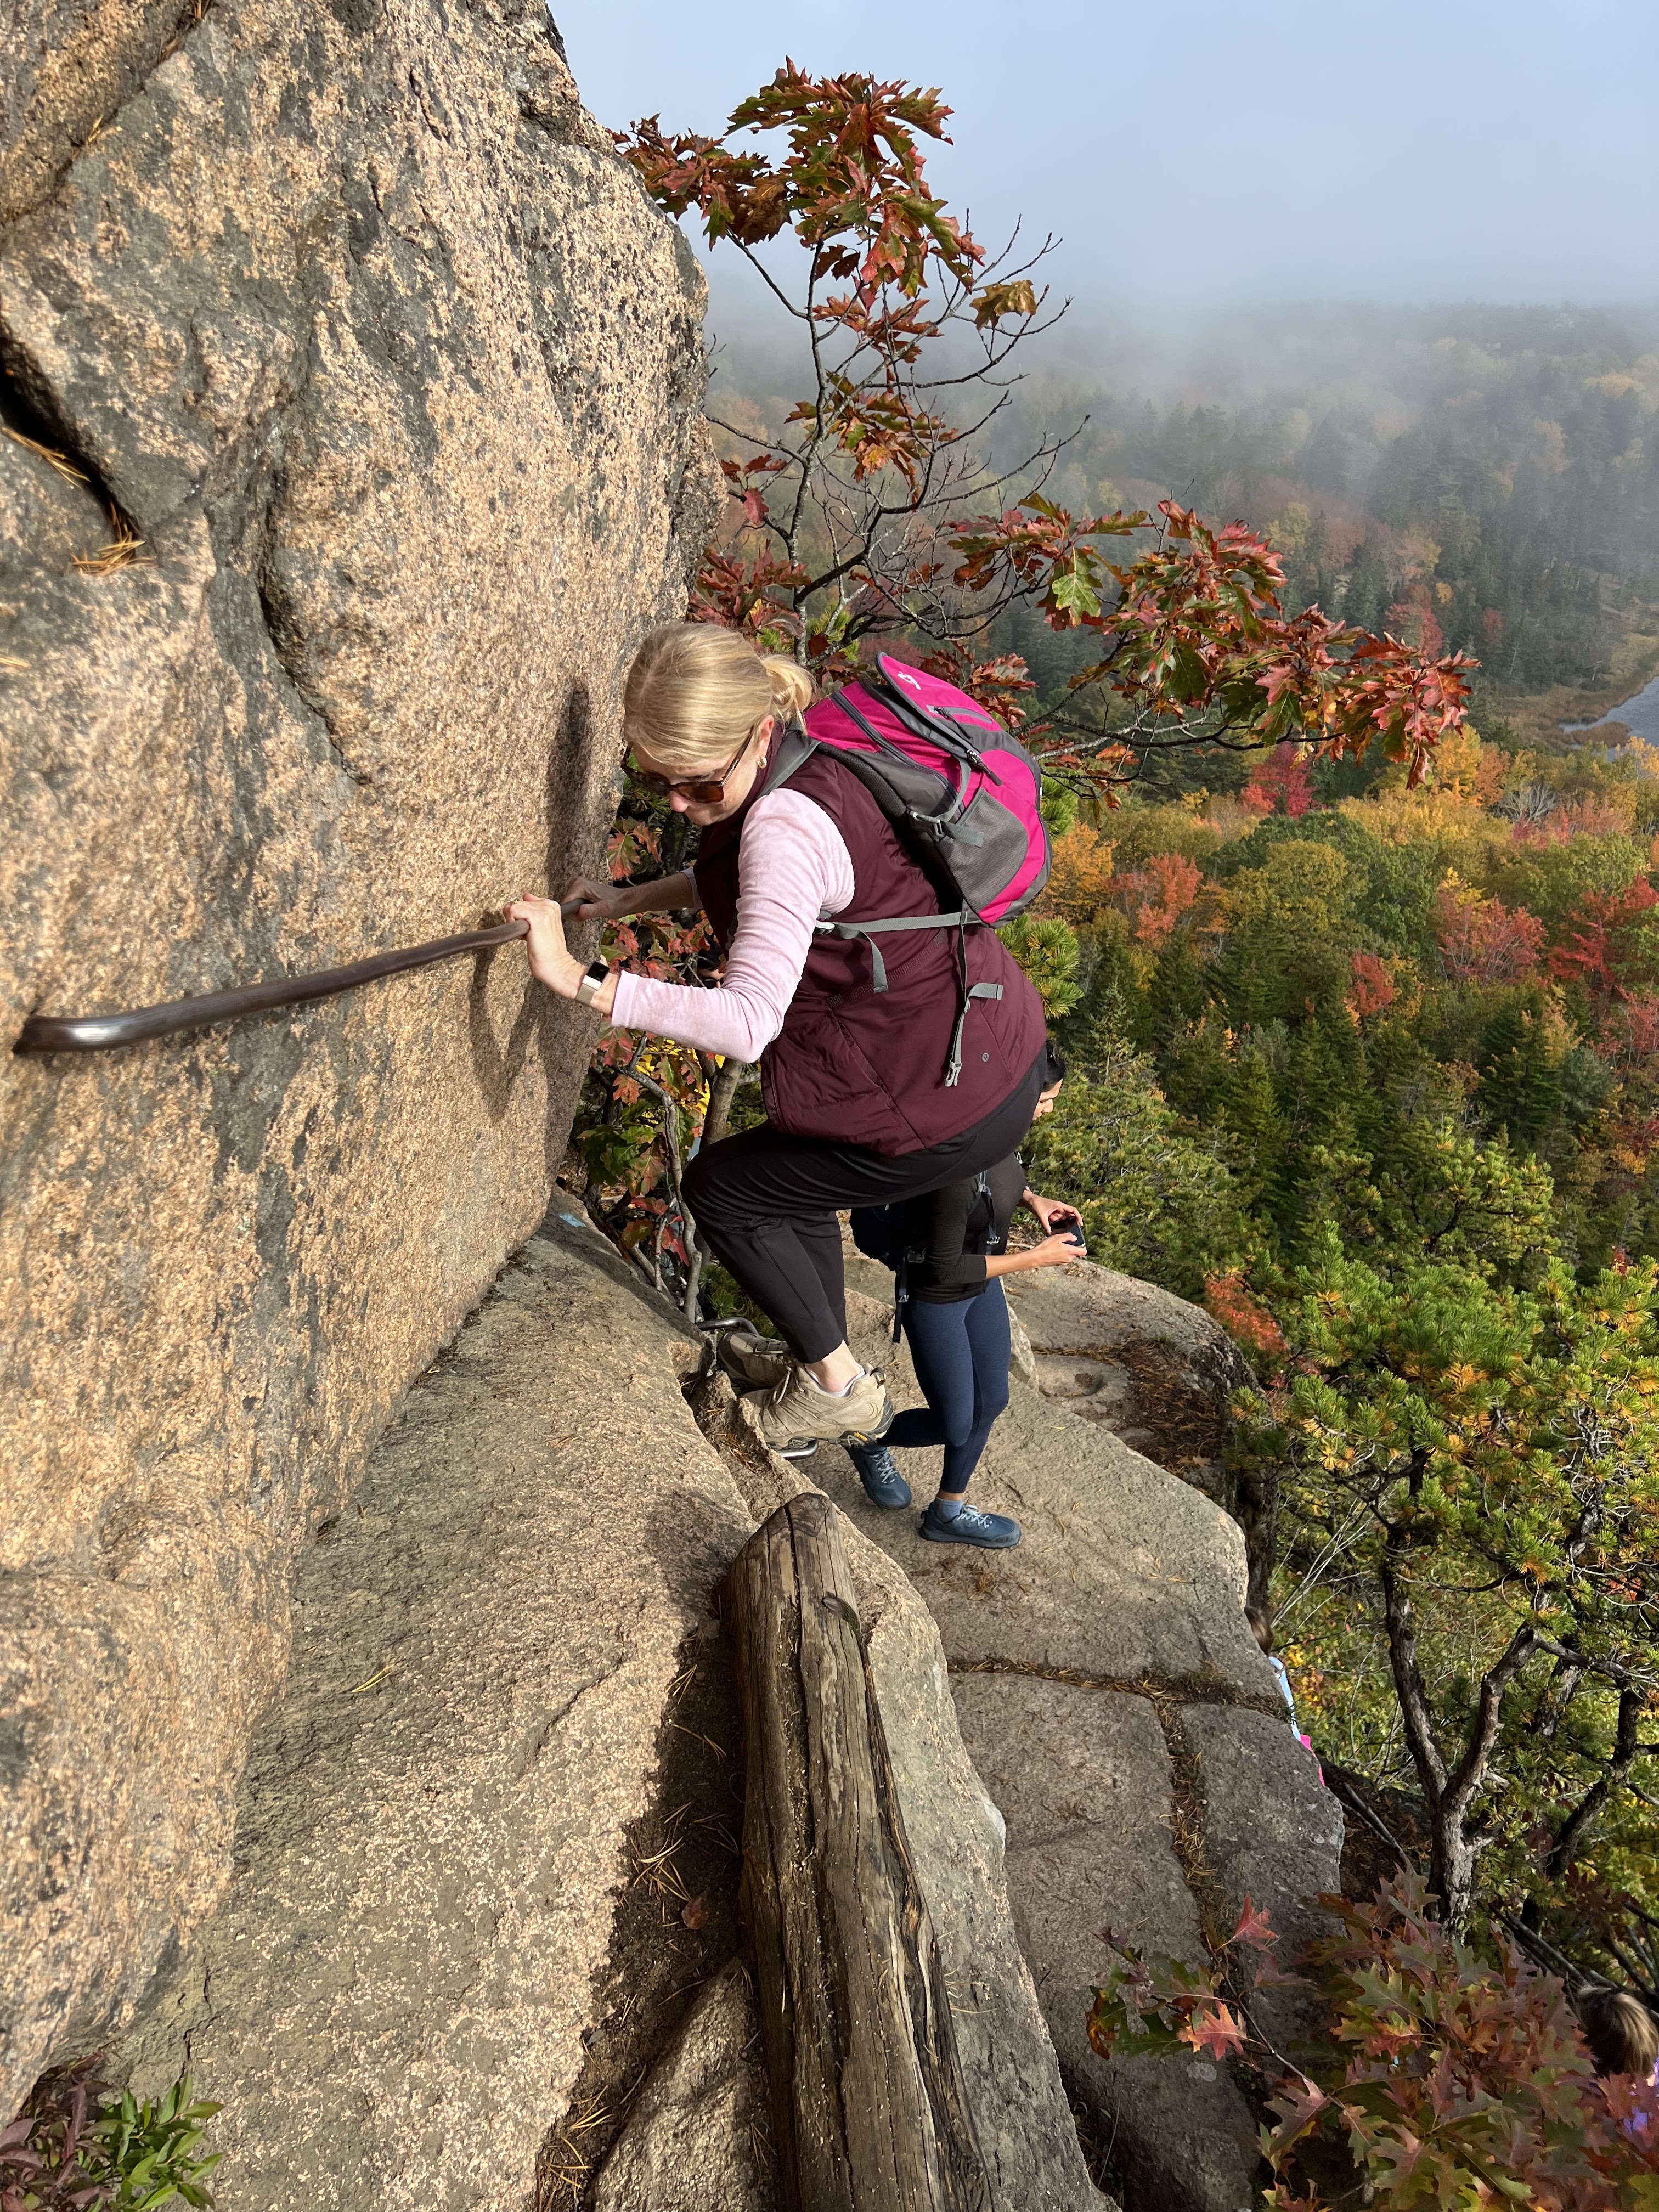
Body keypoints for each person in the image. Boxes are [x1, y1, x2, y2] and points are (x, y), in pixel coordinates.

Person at [506, 624, 1048, 1458]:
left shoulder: (784, 825)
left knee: (724, 1190)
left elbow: (748, 1022)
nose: (677, 803)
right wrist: (625, 900)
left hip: (943, 1103)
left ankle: (837, 1389)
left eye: (696, 783)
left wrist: (580, 979)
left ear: (758, 732)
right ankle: (829, 1370)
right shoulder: (812, 753)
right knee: (788, 1179)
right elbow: (747, 878)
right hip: (983, 1043)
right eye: (655, 780)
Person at [842, 1045, 1082, 1548]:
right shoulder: (956, 1166)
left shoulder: (998, 1130)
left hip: (980, 1286)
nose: (1049, 1110)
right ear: (1018, 1095)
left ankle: (947, 1512)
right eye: (1045, 1100)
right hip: (938, 1297)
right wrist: (1032, 1259)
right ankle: (866, 1437)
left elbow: (1000, 1179)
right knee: (955, 1424)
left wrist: (1034, 1200)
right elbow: (944, 1267)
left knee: (992, 1400)